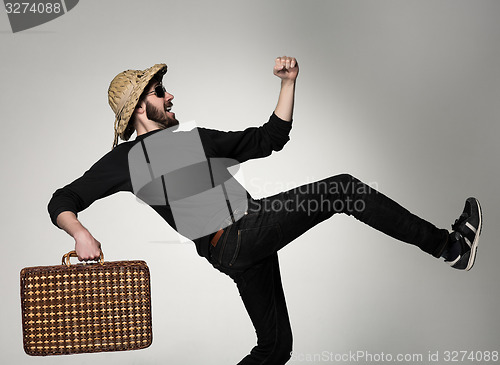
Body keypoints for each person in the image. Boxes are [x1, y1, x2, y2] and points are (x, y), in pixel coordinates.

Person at [48, 56, 483, 365]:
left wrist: (288, 83)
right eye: (161, 91)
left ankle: (451, 249)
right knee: (343, 189)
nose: (171, 94)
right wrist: (80, 234)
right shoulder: (123, 163)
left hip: (240, 247)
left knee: (275, 350)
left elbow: (267, 138)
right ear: (141, 107)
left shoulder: (193, 139)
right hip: (239, 236)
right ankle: (451, 248)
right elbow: (62, 200)